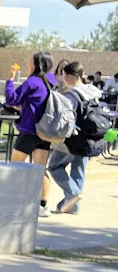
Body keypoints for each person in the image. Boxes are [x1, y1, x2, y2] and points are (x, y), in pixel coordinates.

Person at [48, 62, 101, 215]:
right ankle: (73, 206)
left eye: (64, 75)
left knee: (54, 166)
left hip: (72, 140)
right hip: (90, 139)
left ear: (70, 76)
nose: (62, 78)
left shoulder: (72, 96)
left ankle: (72, 194)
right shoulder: (92, 92)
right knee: (78, 169)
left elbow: (65, 120)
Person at [6, 51, 54, 217]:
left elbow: (11, 100)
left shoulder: (32, 82)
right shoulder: (51, 81)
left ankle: (13, 200)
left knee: (15, 167)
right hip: (45, 132)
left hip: (29, 131)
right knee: (41, 170)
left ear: (37, 65)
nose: (28, 64)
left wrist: (10, 79)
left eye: (30, 62)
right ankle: (43, 205)